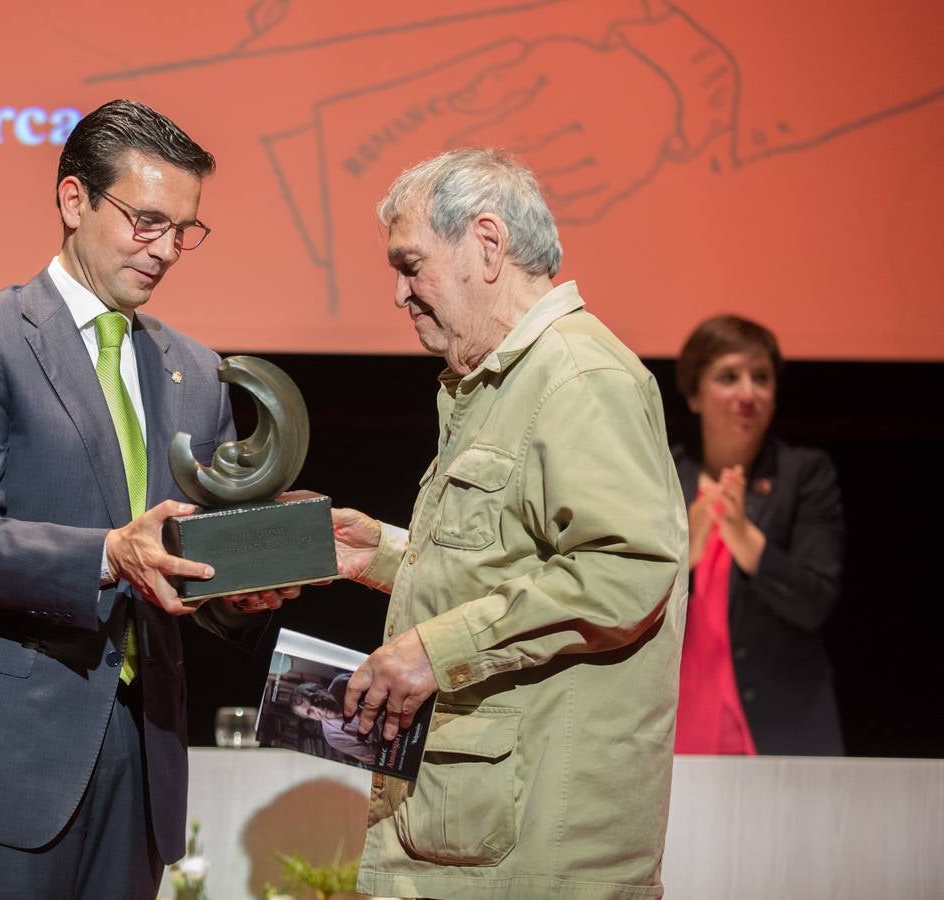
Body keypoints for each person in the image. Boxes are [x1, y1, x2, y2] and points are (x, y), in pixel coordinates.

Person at [0, 98, 294, 899]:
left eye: (184, 229)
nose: (166, 249)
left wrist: (246, 589)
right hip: (0, 754)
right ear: (73, 200)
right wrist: (107, 554)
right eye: (146, 221)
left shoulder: (197, 371)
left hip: (141, 749)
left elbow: (188, 562)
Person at [329, 148, 689, 900]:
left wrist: (434, 650)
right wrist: (388, 554)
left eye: (411, 264)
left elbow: (627, 570)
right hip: (475, 839)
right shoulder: (498, 383)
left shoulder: (581, 378)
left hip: (537, 857)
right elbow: (511, 555)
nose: (400, 293)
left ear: (487, 245)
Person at [672, 315, 845, 756]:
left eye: (761, 378)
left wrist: (747, 540)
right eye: (729, 377)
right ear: (695, 394)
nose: (748, 393)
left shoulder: (803, 474)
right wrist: (680, 559)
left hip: (781, 727)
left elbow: (815, 603)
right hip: (675, 723)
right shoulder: (665, 474)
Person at [289, 674, 382, 765]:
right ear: (312, 719)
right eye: (310, 712)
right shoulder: (333, 737)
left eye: (314, 699)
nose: (318, 709)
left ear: (321, 689)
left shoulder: (342, 683)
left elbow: (384, 679)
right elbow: (377, 756)